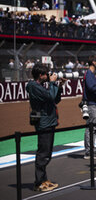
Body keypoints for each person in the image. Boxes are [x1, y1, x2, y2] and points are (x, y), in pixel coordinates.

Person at [26, 63, 65, 192]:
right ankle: (39, 182)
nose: (48, 76)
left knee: (47, 153)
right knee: (43, 154)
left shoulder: (40, 86)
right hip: (44, 123)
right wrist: (53, 84)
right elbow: (50, 96)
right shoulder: (33, 86)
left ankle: (43, 179)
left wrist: (59, 86)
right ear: (40, 75)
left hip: (49, 121)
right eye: (46, 74)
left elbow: (54, 100)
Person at [82, 55, 96, 160]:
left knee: (93, 128)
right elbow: (91, 87)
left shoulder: (90, 74)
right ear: (93, 62)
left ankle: (92, 149)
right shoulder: (89, 74)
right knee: (90, 128)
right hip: (91, 104)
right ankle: (89, 151)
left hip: (94, 103)